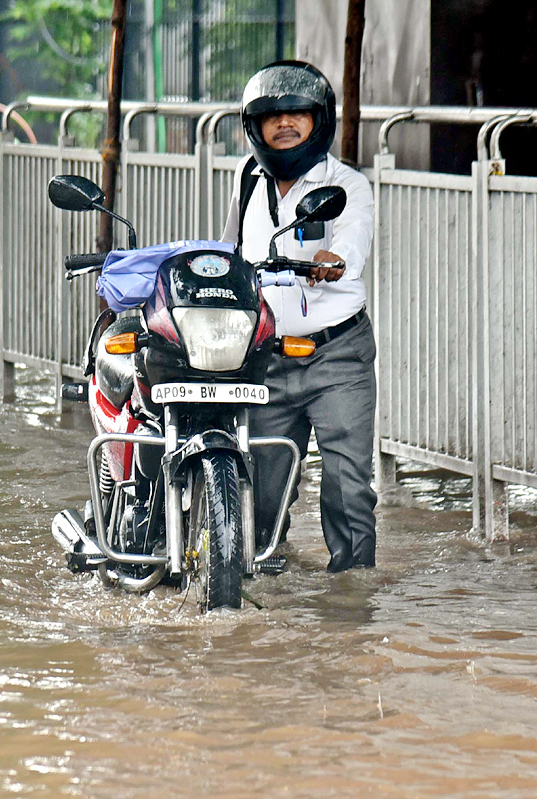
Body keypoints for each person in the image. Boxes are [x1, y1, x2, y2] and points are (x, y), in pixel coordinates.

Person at [220, 60, 377, 573]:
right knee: (260, 496)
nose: (284, 124)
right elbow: (231, 251)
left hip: (337, 357)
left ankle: (353, 603)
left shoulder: (348, 185)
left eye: (297, 114)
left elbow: (351, 239)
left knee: (348, 488)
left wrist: (334, 263)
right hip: (266, 357)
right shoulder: (248, 179)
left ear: (318, 121)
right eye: (272, 116)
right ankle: (264, 599)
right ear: (256, 127)